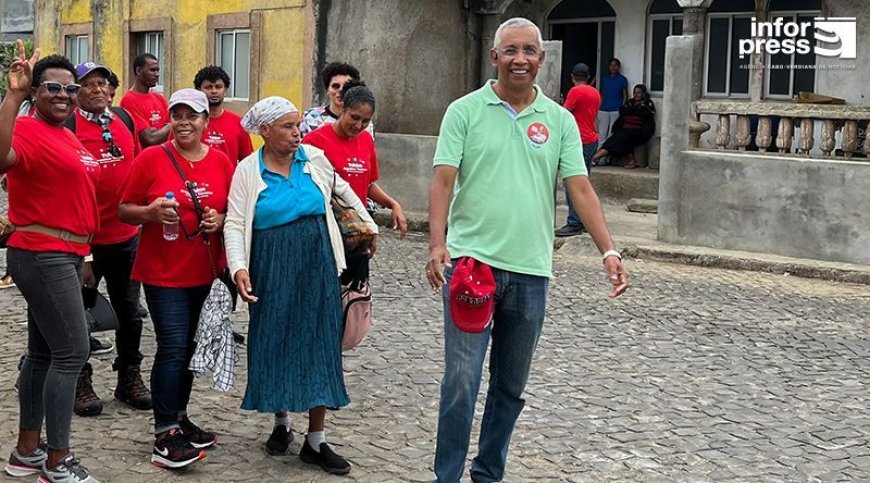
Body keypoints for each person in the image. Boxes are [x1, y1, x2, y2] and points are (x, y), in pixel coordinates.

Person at [426, 18, 628, 483]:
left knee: (510, 388)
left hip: (532, 271)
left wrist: (608, 252)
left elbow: (580, 188)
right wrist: (438, 244)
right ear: (494, 57)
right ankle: (447, 476)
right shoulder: (464, 111)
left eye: (529, 51)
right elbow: (442, 181)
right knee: (461, 382)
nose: (521, 59)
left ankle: (488, 473)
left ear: (541, 59)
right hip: (471, 266)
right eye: (510, 50)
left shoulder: (558, 121)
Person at [225, 97, 379, 475]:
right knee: (276, 337)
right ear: (265, 131)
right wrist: (239, 268)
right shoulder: (248, 170)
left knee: (319, 341)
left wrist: (368, 227)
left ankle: (316, 438)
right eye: (288, 126)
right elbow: (234, 222)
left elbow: (344, 191)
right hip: (271, 264)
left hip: (317, 262)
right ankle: (281, 422)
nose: (297, 133)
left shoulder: (313, 159)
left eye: (298, 125)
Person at [0, 42, 102, 483]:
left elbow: (73, 199)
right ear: (36, 92)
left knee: (43, 354)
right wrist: (12, 97)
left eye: (69, 88)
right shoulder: (25, 128)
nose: (63, 94)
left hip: (64, 252)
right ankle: (58, 462)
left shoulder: (66, 133)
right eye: (52, 88)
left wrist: (85, 254)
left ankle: (26, 452)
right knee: (72, 353)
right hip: (41, 253)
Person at [119, 88, 234, 469]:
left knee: (189, 349)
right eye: (178, 115)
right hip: (162, 273)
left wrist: (219, 219)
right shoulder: (152, 158)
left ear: (205, 121)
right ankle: (164, 434)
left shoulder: (220, 161)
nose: (185, 122)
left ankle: (180, 416)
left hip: (205, 270)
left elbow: (232, 209)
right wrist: (150, 213)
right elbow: (124, 210)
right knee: (172, 346)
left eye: (193, 116)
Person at [66, 61, 151, 417]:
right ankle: (79, 380)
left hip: (126, 237)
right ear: (76, 93)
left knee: (130, 314)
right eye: (88, 84)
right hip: (82, 242)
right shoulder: (68, 126)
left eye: (103, 83)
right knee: (78, 316)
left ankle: (128, 377)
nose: (97, 89)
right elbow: (66, 191)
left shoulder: (124, 121)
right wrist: (83, 254)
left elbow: (139, 167)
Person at [303, 80, 407, 257]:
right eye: (355, 117)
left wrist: (393, 204)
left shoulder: (366, 140)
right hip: (325, 231)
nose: (359, 125)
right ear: (342, 109)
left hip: (357, 231)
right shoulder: (315, 141)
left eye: (365, 121)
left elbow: (368, 185)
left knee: (356, 284)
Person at [556, 62, 601, 237]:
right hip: (592, 140)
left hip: (578, 141)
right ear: (588, 76)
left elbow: (565, 114)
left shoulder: (575, 92)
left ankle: (574, 222)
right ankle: (584, 220)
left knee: (572, 183)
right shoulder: (595, 92)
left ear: (573, 76)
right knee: (584, 183)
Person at [192, 65, 254, 164]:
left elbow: (248, 162)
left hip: (229, 179)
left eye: (218, 87)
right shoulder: (188, 122)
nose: (214, 91)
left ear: (225, 90)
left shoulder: (239, 123)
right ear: (199, 90)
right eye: (208, 87)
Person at [590, 84, 656, 170]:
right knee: (613, 138)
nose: (636, 95)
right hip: (625, 129)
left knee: (625, 137)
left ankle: (632, 161)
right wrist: (634, 111)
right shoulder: (630, 102)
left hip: (639, 131)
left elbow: (644, 113)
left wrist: (632, 111)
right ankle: (594, 158)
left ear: (643, 93)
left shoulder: (647, 103)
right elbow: (623, 111)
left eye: (639, 93)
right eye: (635, 93)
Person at [300, 62, 374, 137]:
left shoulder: (364, 123)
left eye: (346, 86)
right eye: (335, 86)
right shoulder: (310, 117)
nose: (341, 90)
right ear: (327, 90)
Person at [120, 53, 170, 148]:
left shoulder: (158, 97)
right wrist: (171, 126)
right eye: (152, 70)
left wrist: (162, 130)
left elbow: (169, 130)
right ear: (138, 71)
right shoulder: (129, 100)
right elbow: (149, 138)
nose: (157, 74)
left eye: (158, 70)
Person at [595, 57, 628, 164]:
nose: (613, 67)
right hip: (603, 109)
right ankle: (599, 158)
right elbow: (601, 93)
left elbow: (625, 95)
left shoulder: (622, 79)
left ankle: (606, 158)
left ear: (618, 67)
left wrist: (621, 108)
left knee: (611, 135)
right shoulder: (604, 79)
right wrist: (599, 106)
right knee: (602, 135)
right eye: (611, 65)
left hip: (615, 110)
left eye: (615, 65)